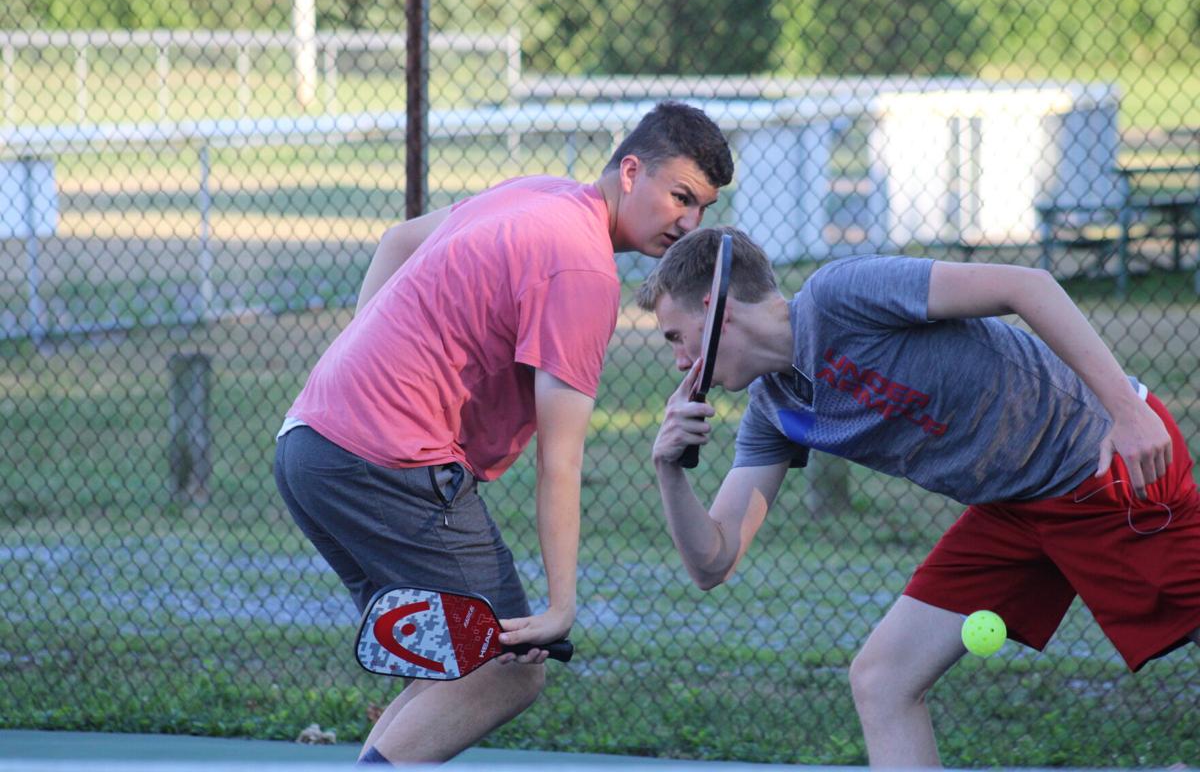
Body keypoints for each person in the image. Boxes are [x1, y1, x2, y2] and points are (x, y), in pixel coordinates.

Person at [272, 101, 733, 765]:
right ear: (631, 172)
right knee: (506, 666)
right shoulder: (583, 271)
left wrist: (359, 369)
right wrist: (560, 606)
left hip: (309, 444)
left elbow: (397, 239)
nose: (689, 223)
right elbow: (561, 458)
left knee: (456, 663)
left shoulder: (538, 193)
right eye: (681, 196)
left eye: (704, 209)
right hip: (386, 464)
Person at [639, 226, 1200, 768]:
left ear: (717, 310)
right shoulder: (775, 411)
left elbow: (1027, 285)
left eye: (675, 336)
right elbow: (714, 561)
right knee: (882, 678)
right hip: (1013, 509)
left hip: (1102, 463)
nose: (680, 362)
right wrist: (670, 470)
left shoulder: (841, 296)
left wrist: (1129, 412)